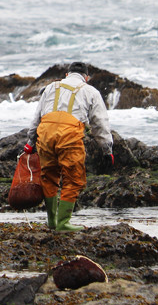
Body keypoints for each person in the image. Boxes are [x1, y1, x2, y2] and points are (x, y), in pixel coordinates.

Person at [23, 62, 113, 231]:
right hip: (69, 136)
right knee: (73, 178)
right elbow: (100, 123)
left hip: (46, 133)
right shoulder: (91, 91)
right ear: (86, 78)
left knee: (49, 176)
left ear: (66, 75)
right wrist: (107, 149)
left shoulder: (51, 87)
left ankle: (52, 221)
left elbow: (37, 117)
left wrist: (30, 142)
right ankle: (63, 223)